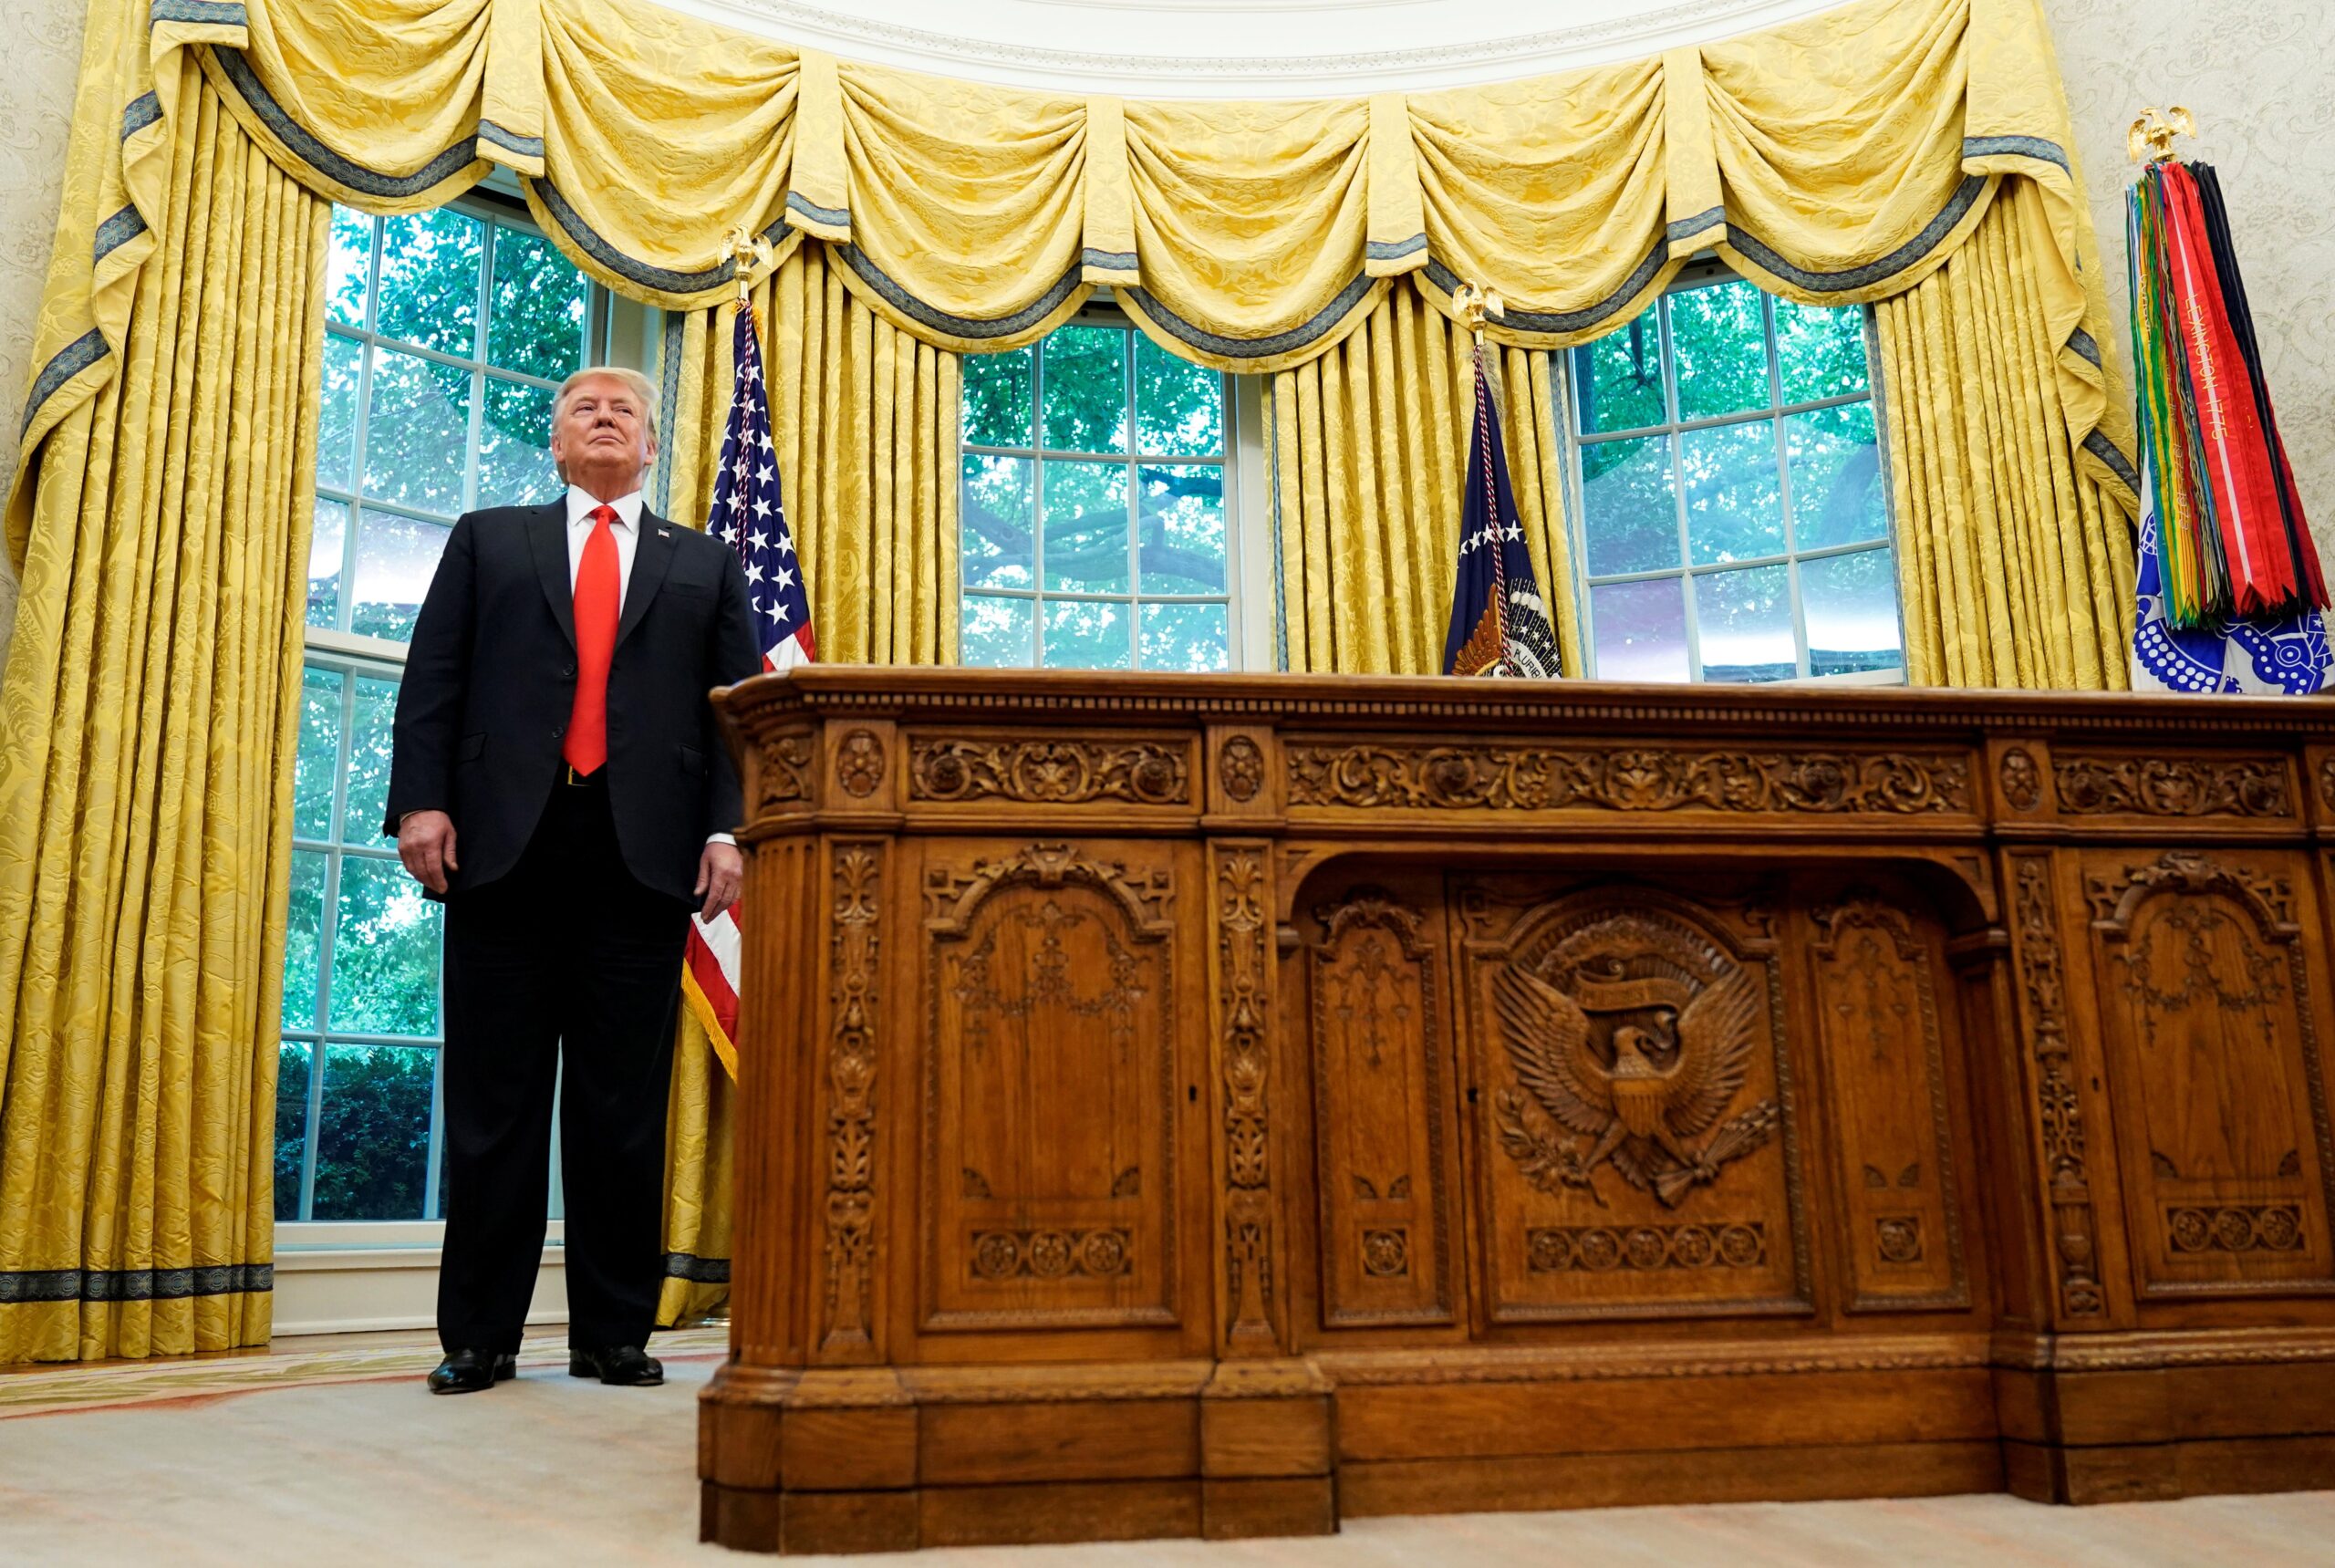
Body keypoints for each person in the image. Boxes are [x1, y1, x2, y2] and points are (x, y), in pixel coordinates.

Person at [385, 366, 762, 1395]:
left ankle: (612, 1333)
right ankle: (478, 1339)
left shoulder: (708, 561)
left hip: (643, 861)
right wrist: (421, 803)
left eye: (625, 409)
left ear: (649, 447)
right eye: (582, 408)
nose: (604, 416)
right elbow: (435, 678)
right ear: (556, 443)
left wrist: (729, 829)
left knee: (620, 1110)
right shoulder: (487, 539)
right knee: (494, 1104)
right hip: (502, 850)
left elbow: (735, 712)